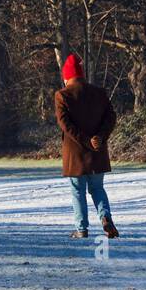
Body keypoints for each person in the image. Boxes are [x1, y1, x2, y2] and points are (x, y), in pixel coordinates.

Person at [55, 53, 119, 239]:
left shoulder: (62, 95)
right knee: (97, 188)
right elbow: (111, 117)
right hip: (97, 152)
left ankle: (81, 228)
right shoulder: (99, 92)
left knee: (78, 191)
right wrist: (100, 136)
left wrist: (85, 140)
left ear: (66, 76)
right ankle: (106, 218)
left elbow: (66, 125)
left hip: (75, 154)